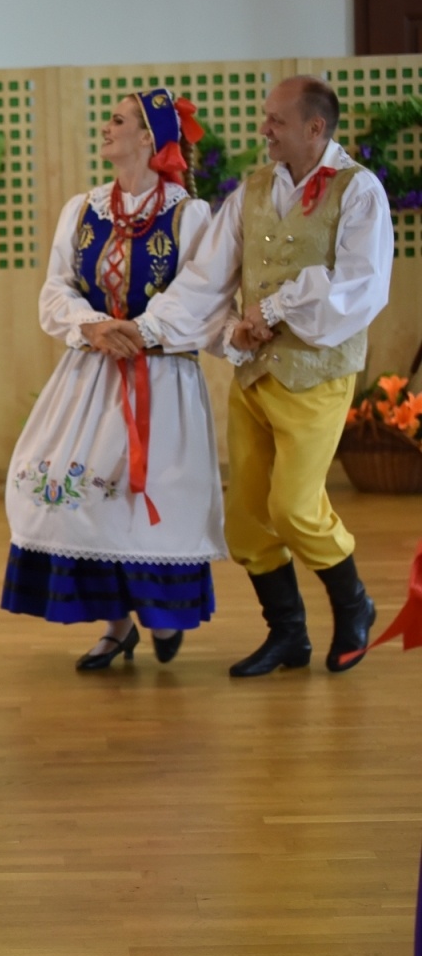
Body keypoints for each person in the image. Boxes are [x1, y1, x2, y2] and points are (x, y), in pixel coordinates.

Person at [139, 76, 393, 676]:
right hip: (253, 377)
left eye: (276, 121)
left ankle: (355, 603)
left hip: (316, 376)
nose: (264, 129)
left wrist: (273, 311)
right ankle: (289, 635)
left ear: (315, 128)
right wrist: (220, 328)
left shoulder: (359, 192)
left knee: (295, 507)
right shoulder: (253, 189)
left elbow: (361, 287)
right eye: (266, 118)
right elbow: (209, 277)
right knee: (247, 521)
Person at [0, 89, 225, 670]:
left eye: (118, 120)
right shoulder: (83, 210)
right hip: (92, 370)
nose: (106, 127)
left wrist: (143, 331)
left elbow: (203, 293)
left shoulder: (189, 214)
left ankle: (162, 612)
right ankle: (117, 623)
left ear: (150, 138)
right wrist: (95, 327)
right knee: (86, 494)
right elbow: (56, 289)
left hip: (162, 378)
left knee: (149, 495)